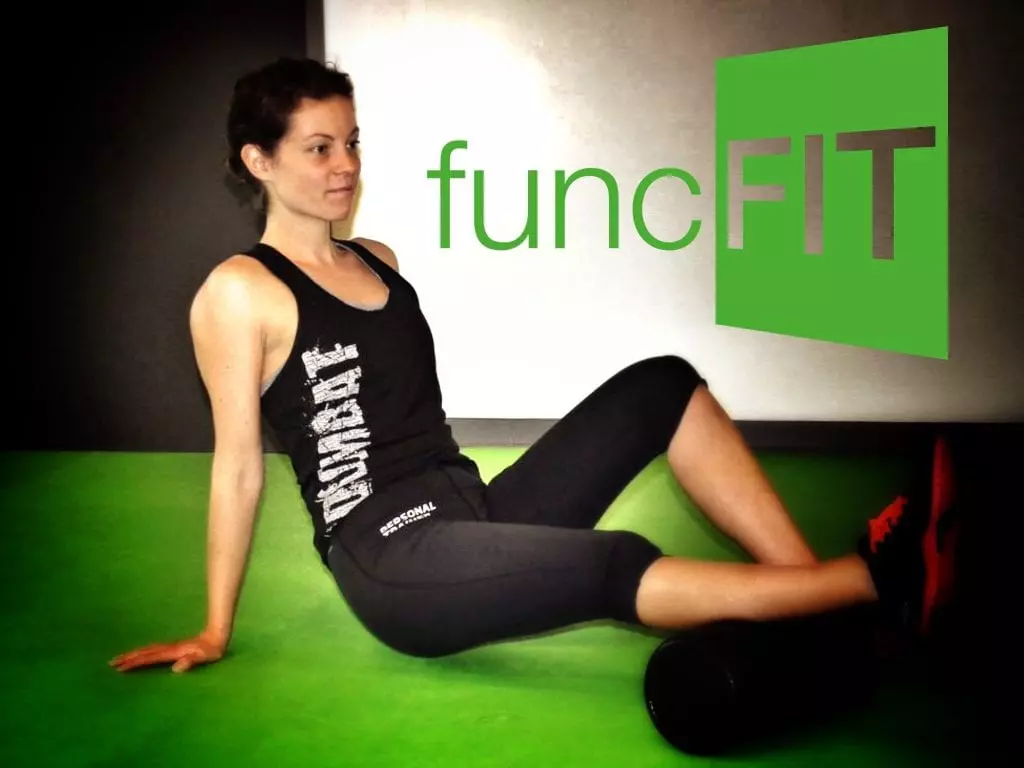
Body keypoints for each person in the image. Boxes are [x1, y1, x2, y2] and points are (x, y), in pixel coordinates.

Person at [109, 57, 960, 674]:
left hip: (469, 506)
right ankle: (872, 580)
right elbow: (237, 468)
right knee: (612, 561)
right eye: (319, 149)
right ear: (259, 162)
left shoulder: (379, 260)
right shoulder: (239, 292)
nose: (348, 167)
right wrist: (215, 629)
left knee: (662, 384)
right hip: (392, 561)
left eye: (353, 143)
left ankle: (812, 599)